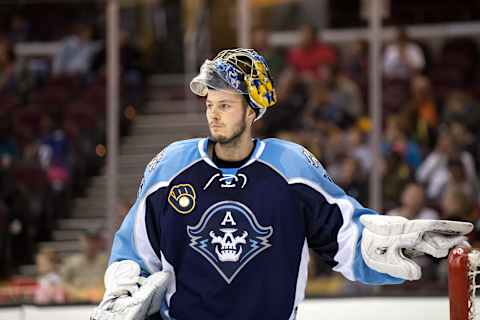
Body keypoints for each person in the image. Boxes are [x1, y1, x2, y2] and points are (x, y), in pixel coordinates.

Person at [91, 48, 472, 320]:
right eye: (210, 104)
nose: (213, 114)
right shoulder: (171, 166)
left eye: (225, 104)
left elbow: (347, 237)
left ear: (253, 109)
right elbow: (133, 253)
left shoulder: (291, 167)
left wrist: (390, 242)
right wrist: (123, 290)